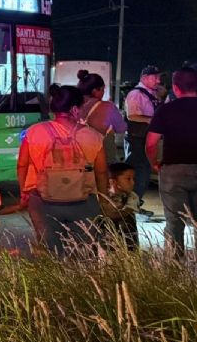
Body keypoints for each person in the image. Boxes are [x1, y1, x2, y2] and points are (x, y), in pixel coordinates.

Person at [18, 85, 109, 257]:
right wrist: (103, 200)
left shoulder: (34, 132)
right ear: (75, 109)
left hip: (43, 203)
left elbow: (22, 165)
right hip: (84, 204)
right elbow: (102, 173)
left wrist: (24, 191)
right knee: (84, 253)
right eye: (81, 107)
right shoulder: (94, 136)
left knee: (51, 253)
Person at [146, 67, 197, 259]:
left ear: (175, 88)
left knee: (174, 221)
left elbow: (151, 143)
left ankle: (175, 265)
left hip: (173, 169)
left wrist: (154, 163)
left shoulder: (166, 110)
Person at [124, 65, 164, 214]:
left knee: (143, 171)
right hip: (136, 139)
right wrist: (153, 120)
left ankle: (134, 204)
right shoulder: (135, 94)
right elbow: (132, 116)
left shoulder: (151, 94)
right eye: (155, 77)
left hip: (144, 138)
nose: (158, 80)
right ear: (144, 78)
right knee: (140, 171)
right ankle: (131, 205)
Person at [77, 70, 126, 163]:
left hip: (77, 156)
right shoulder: (108, 107)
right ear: (95, 91)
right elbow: (121, 128)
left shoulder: (73, 105)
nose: (104, 92)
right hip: (101, 156)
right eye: (103, 89)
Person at [99, 162, 140, 251]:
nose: (133, 183)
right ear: (113, 181)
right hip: (107, 239)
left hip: (128, 238)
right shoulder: (103, 197)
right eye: (128, 179)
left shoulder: (132, 196)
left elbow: (125, 212)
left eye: (133, 179)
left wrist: (107, 212)